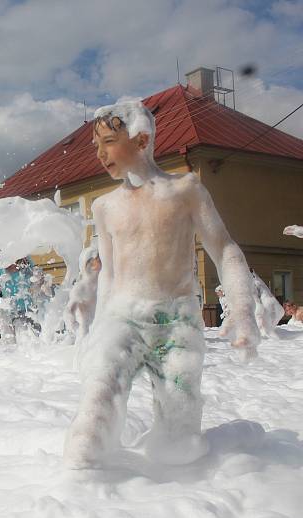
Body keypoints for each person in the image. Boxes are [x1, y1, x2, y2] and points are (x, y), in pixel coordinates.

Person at [63, 101, 260, 469]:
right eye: (95, 146)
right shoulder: (105, 207)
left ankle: (229, 448)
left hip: (177, 325)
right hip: (123, 319)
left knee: (178, 445)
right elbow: (109, 274)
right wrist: (97, 331)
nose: (100, 153)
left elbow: (225, 248)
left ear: (141, 139)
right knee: (92, 416)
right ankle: (81, 494)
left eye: (107, 141)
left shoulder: (185, 190)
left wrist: (244, 310)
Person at [0, 257, 41, 343]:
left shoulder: (27, 262)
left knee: (25, 340)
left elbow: (37, 281)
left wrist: (37, 281)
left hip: (25, 310)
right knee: (8, 343)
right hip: (7, 311)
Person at [63, 246, 101, 341]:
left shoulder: (104, 284)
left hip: (102, 333)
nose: (98, 264)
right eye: (94, 261)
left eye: (99, 260)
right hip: (87, 337)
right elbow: (68, 312)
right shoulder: (81, 288)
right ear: (87, 265)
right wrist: (77, 329)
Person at [251, 272, 283, 339]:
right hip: (272, 299)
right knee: (280, 312)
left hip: (266, 302)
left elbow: (255, 295)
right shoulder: (259, 282)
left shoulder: (253, 282)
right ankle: (269, 329)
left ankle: (265, 332)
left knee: (261, 315)